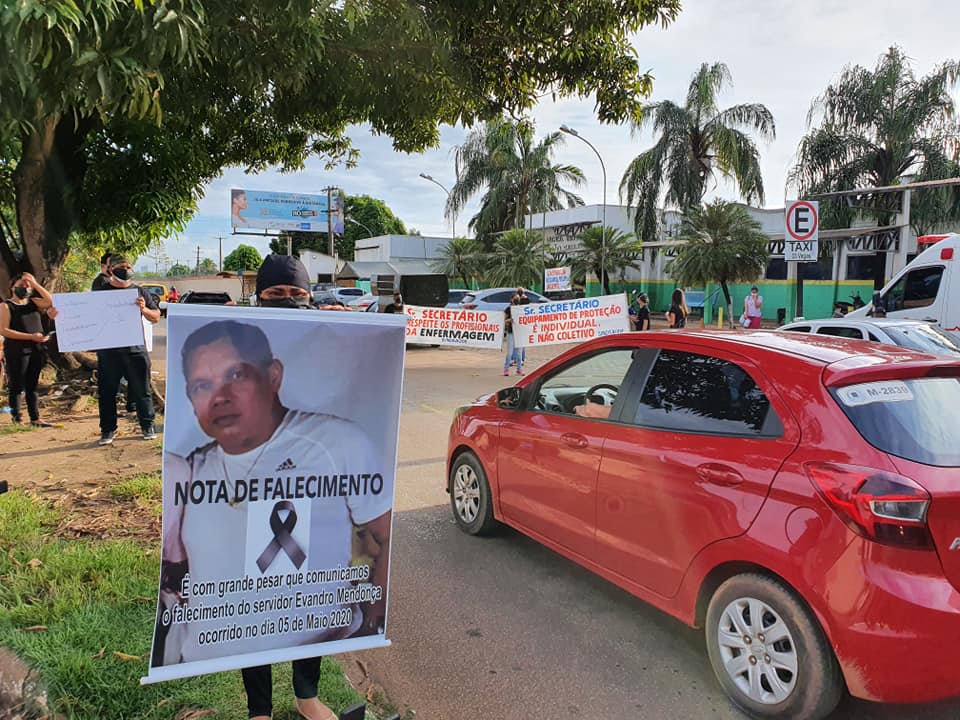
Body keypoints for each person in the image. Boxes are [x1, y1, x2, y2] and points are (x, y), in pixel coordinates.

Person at [159, 319, 391, 720]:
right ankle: (259, 711)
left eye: (236, 374)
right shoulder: (191, 469)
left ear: (273, 376)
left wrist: (374, 613)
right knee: (251, 615)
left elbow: (385, 539)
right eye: (202, 385)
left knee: (302, 617)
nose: (220, 396)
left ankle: (308, 698)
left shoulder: (338, 442)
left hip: (315, 613)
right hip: (236, 623)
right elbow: (175, 562)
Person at [93, 255, 160, 444]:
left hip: (136, 350)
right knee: (107, 393)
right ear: (111, 269)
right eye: (121, 266)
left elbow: (155, 317)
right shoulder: (100, 292)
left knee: (142, 391)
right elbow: (86, 316)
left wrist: (143, 309)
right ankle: (107, 431)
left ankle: (147, 426)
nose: (126, 269)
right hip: (109, 352)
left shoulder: (139, 291)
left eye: (129, 266)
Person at [0, 273, 57, 426]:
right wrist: (30, 336)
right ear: (13, 287)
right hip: (17, 351)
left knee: (32, 385)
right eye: (22, 284)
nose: (25, 287)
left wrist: (35, 283)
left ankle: (35, 418)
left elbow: (50, 301)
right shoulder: (6, 305)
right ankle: (17, 419)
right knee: (16, 385)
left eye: (28, 286)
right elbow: (4, 330)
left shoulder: (33, 303)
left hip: (37, 349)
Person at [503, 296, 523, 376]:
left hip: (520, 333)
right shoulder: (508, 309)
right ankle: (506, 369)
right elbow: (504, 320)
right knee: (509, 353)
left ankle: (519, 369)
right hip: (511, 333)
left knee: (519, 354)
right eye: (515, 299)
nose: (516, 300)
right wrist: (509, 320)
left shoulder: (521, 309)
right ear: (512, 300)